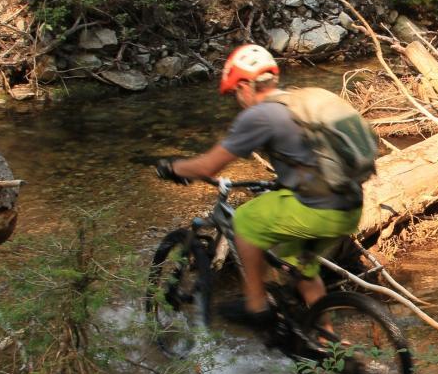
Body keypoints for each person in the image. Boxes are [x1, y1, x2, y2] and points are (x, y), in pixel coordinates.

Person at [156, 44, 364, 329]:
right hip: (350, 205)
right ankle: (330, 344)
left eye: (234, 94)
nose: (237, 100)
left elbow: (208, 167)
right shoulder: (297, 104)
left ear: (244, 85)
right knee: (301, 268)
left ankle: (256, 306)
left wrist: (173, 168)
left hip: (318, 210)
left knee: (245, 219)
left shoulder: (260, 115)